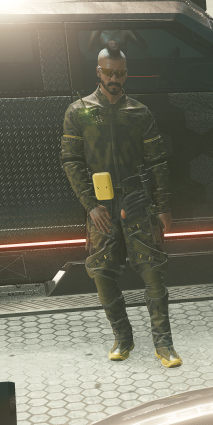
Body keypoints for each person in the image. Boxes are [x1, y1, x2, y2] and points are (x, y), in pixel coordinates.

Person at [61, 44, 181, 367]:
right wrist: (90, 205)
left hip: (137, 201)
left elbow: (157, 162)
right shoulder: (78, 111)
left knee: (153, 274)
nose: (114, 79)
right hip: (100, 205)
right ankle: (123, 337)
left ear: (126, 74)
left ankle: (164, 344)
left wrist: (163, 206)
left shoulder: (140, 113)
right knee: (102, 275)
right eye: (108, 72)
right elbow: (71, 160)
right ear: (98, 72)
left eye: (120, 73)